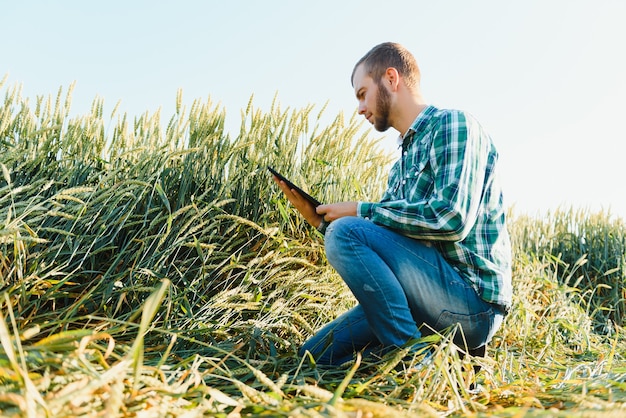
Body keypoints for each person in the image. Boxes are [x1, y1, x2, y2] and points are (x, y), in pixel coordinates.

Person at [273, 42, 512, 366]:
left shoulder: (454, 126)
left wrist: (359, 211)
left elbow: (450, 219)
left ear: (390, 78)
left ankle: (416, 364)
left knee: (346, 231)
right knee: (314, 357)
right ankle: (432, 356)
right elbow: (388, 241)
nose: (359, 108)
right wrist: (321, 223)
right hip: (421, 298)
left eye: (362, 93)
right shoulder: (401, 165)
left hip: (472, 304)